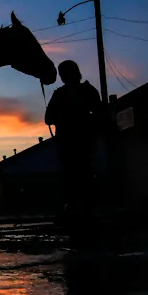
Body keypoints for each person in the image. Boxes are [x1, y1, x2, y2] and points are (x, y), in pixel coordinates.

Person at [44, 60, 105, 223]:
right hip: (74, 142)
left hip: (77, 141)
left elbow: (48, 118)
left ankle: (80, 207)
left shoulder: (66, 94)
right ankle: (78, 207)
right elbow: (48, 118)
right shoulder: (83, 91)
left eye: (64, 73)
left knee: (77, 173)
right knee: (77, 174)